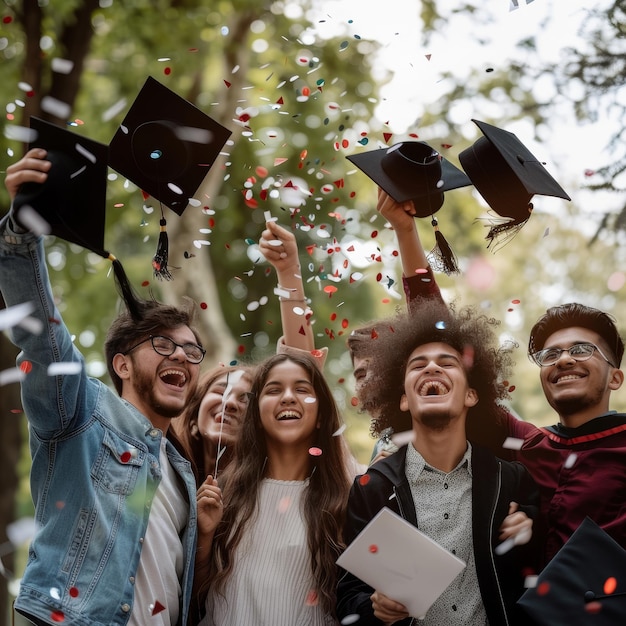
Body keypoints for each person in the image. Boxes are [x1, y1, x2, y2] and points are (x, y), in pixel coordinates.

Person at [3, 149, 203, 626]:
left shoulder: (183, 473)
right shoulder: (81, 414)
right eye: (163, 344)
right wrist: (20, 234)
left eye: (193, 351)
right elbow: (41, 333)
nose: (182, 355)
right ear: (123, 365)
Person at [336, 300, 540, 626]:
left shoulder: (511, 481)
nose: (432, 368)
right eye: (417, 365)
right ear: (402, 398)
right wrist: (373, 607)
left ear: (472, 394)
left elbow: (536, 576)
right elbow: (348, 596)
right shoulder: (372, 489)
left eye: (448, 363)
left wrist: (530, 532)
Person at [195, 351, 352, 625]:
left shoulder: (345, 500)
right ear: (255, 414)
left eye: (302, 389)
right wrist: (205, 536)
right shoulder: (224, 494)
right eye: (273, 389)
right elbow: (194, 597)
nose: (288, 397)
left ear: (320, 415)